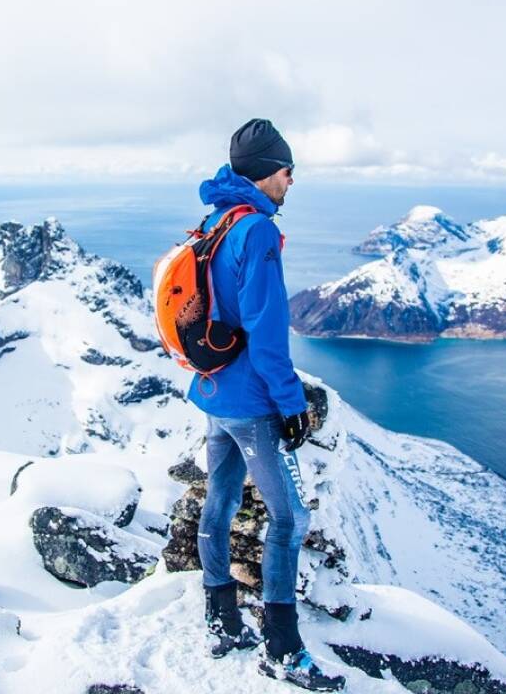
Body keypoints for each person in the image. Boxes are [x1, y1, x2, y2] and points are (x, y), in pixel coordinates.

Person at [191, 119, 345, 692]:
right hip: (252, 401)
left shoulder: (217, 219)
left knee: (222, 500)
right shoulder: (254, 230)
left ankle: (221, 620)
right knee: (289, 517)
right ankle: (281, 649)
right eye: (287, 170)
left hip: (214, 391)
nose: (291, 181)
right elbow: (266, 326)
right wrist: (290, 402)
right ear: (265, 172)